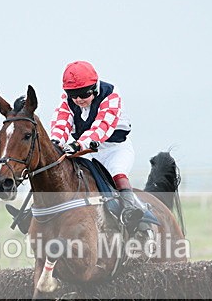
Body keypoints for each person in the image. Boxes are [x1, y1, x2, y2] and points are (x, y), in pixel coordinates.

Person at [49, 60, 147, 232]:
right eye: (74, 94)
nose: (78, 100)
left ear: (94, 88)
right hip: (86, 152)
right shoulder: (68, 100)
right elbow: (61, 122)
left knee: (117, 171)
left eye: (83, 94)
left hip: (114, 150)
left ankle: (133, 211)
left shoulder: (111, 96)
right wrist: (55, 142)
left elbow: (101, 128)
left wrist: (79, 144)